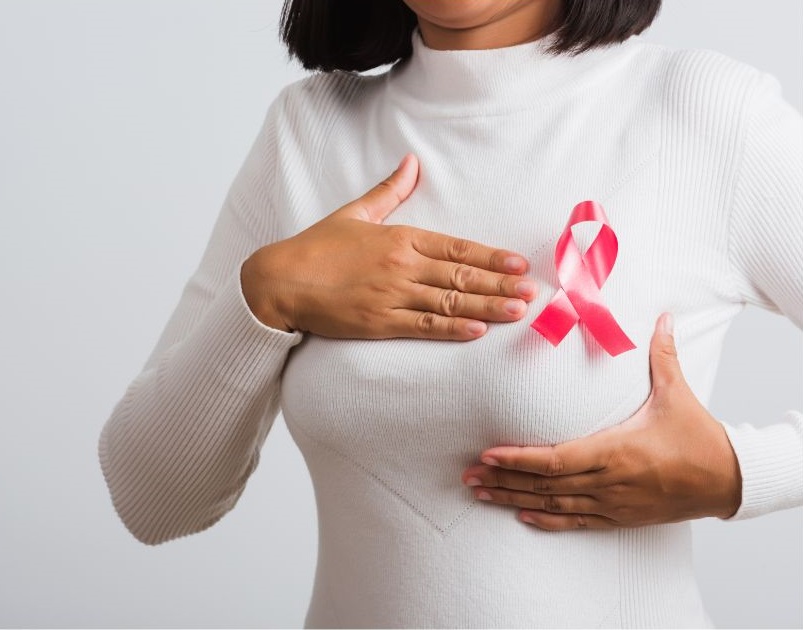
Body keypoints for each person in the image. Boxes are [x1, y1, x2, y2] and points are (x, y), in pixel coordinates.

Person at [98, 0, 803, 626]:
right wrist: (267, 293)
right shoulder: (310, 129)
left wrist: (739, 472)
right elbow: (153, 501)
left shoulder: (700, 112)